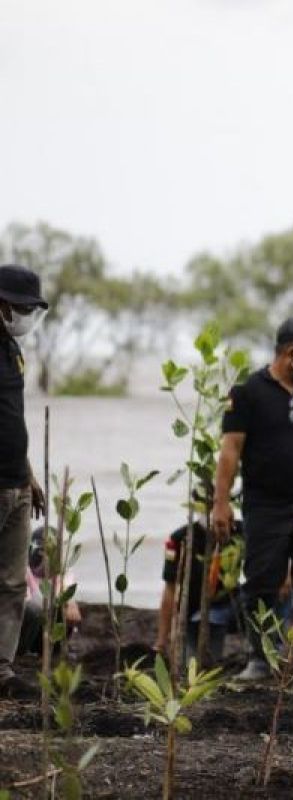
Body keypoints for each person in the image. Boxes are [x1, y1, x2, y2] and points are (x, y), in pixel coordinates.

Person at [212, 317, 293, 681]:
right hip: (265, 506)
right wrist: (220, 503)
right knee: (261, 582)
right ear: (292, 351)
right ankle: (261, 659)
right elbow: (230, 451)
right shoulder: (247, 392)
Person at [0, 264, 48, 699]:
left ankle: (3, 669)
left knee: (14, 581)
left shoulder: (12, 351)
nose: (26, 315)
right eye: (20, 307)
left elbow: (12, 419)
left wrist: (29, 475)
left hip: (15, 481)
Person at [153, 517, 242, 664]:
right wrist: (161, 641)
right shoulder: (181, 538)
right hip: (197, 613)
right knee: (198, 664)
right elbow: (170, 589)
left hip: (234, 604)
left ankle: (270, 655)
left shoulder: (241, 532)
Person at [18, 527, 81, 657]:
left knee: (65, 609)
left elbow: (67, 597)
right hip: (27, 628)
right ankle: (20, 652)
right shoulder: (23, 571)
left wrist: (69, 603)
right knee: (32, 610)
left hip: (46, 632)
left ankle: (53, 651)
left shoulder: (63, 574)